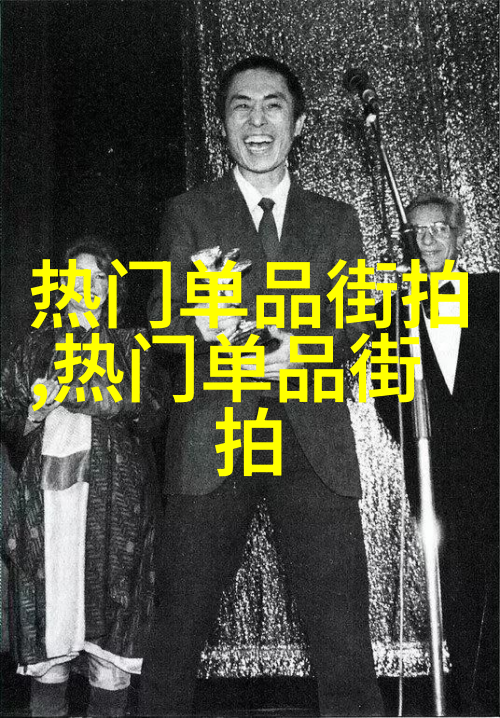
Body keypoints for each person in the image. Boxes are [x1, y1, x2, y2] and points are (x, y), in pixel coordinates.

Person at [140, 55, 383, 717]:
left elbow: (354, 321)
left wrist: (302, 350)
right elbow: (163, 326)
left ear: (298, 123)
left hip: (313, 443)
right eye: (241, 106)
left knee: (343, 637)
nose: (257, 120)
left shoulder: (336, 221)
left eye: (273, 105)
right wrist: (204, 327)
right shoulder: (189, 213)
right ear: (223, 124)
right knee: (177, 628)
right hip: (214, 437)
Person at [1, 238, 167, 717]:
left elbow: (154, 407)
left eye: (100, 277)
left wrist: (99, 397)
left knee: (109, 654)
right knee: (49, 646)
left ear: (112, 287)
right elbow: (8, 412)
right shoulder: (36, 345)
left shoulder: (132, 343)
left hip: (116, 509)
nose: (89, 286)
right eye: (78, 277)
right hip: (50, 509)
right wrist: (34, 414)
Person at [374, 193, 499, 715]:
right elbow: (386, 394)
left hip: (493, 463)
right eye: (416, 232)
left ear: (458, 234)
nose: (427, 240)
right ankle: (471, 699)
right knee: (455, 583)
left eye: (438, 229)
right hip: (436, 469)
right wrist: (425, 440)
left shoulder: (491, 294)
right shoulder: (393, 309)